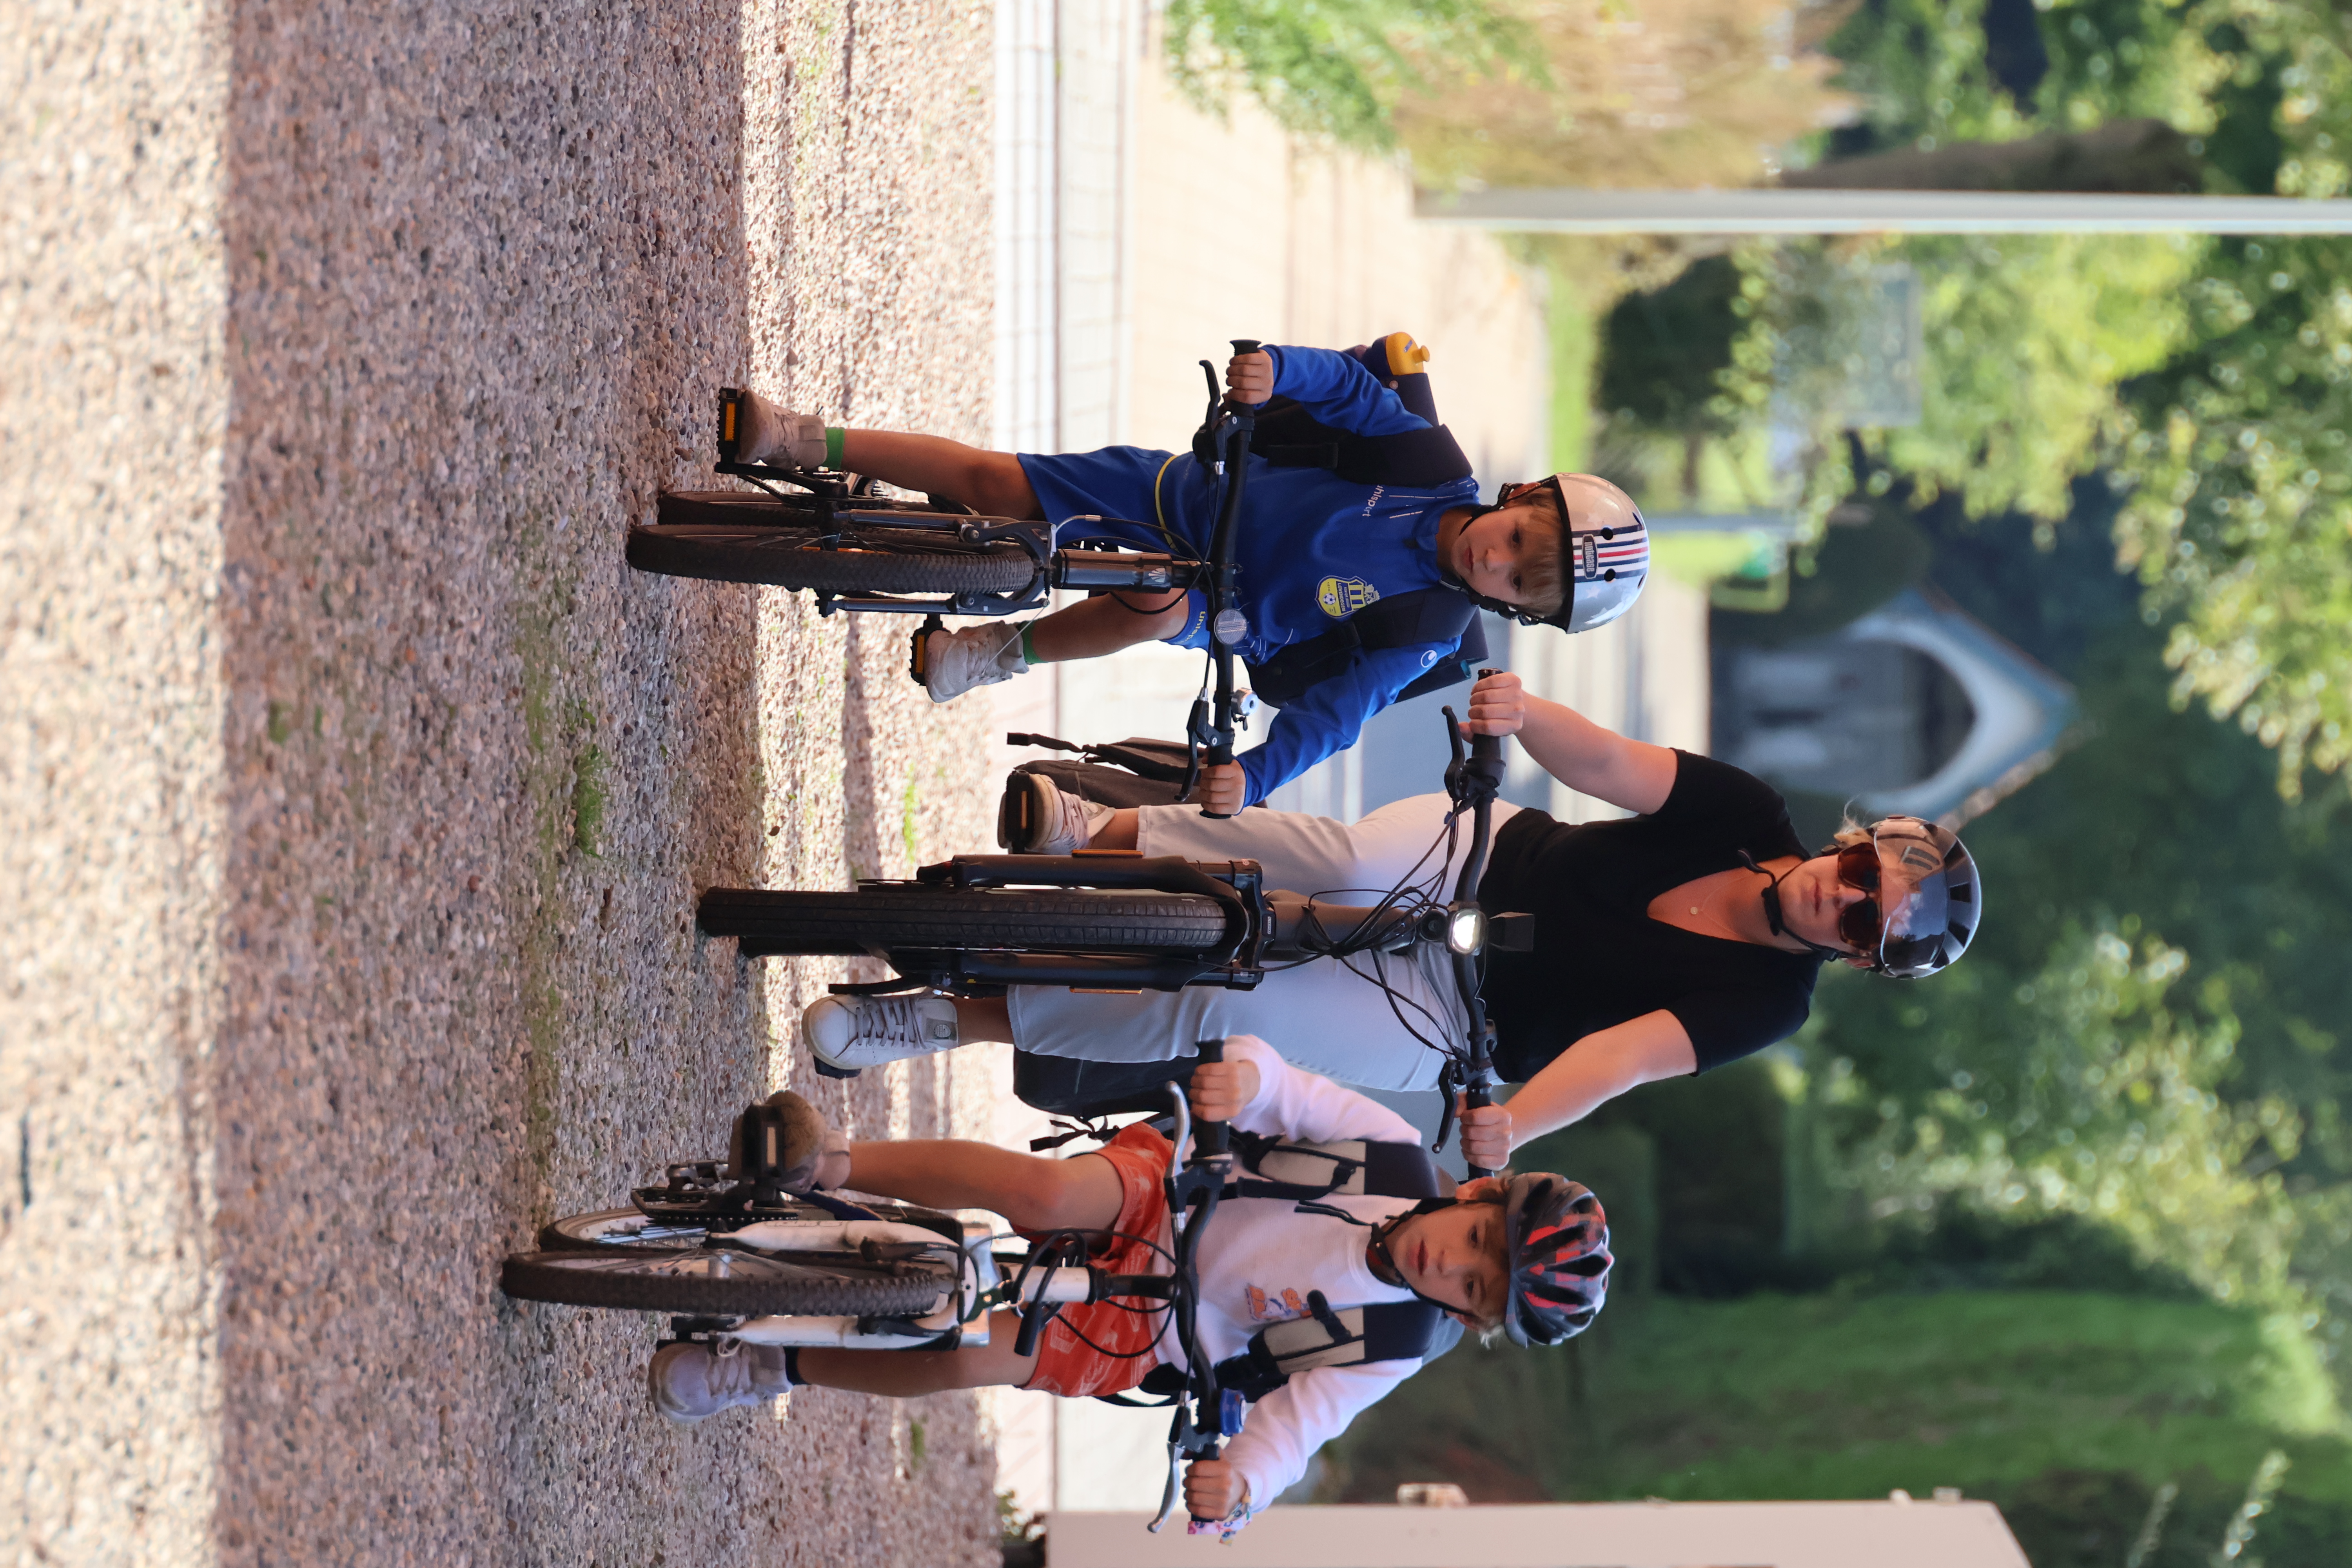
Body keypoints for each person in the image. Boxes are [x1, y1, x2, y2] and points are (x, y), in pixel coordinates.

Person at [799, 671, 1982, 1170]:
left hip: (1447, 1018)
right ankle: (1093, 839)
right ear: (1856, 844)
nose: (1853, 903)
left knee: (1226, 1005)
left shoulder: (1765, 1005)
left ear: (1859, 959)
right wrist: (1530, 716)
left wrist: (1509, 1126)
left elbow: (1618, 1063)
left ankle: (947, 1020)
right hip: (1473, 852)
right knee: (1325, 856)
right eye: (1868, 877)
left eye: (1869, 929)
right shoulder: (1746, 809)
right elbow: (1614, 768)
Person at [645, 1034, 1613, 1532]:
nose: (1459, 1264)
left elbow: (1295, 1428)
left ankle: (774, 1366)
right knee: (1043, 1187)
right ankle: (832, 1166)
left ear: (1473, 1319)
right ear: (1480, 1191)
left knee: (981, 1357)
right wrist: (1241, 1079)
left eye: (1479, 1289)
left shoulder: (1395, 1342)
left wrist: (1239, 1485)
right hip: (1168, 1197)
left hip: (1154, 1331)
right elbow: (1283, 1086)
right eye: (1482, 1238)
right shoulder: (1394, 1159)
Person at [722, 336, 1649, 813]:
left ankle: (1001, 651)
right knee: (991, 479)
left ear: (1516, 612)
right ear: (1522, 494)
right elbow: (1349, 390)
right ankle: (803, 436)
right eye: (1524, 538)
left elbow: (1335, 719)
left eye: (1523, 584)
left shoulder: (1428, 632)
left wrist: (1254, 777)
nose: (1501, 560)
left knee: (1156, 603)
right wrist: (1278, 367)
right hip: (1190, 496)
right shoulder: (1423, 460)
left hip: (1224, 605)